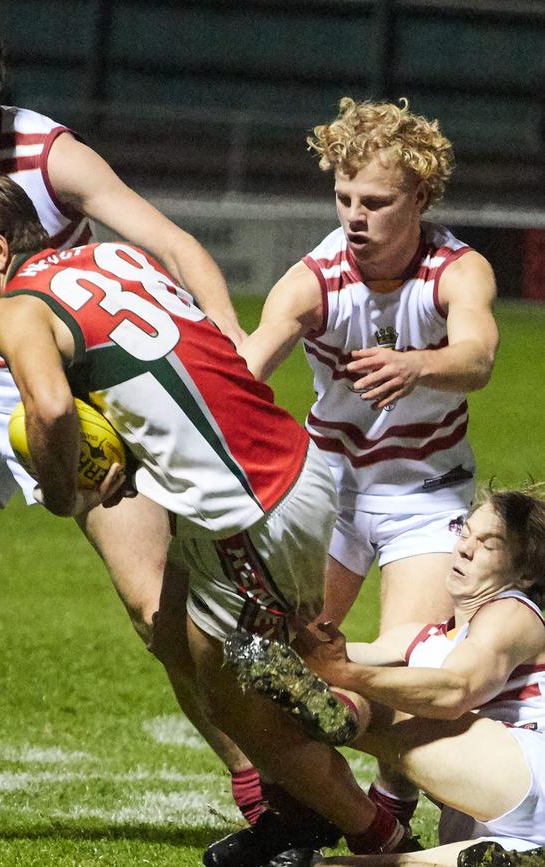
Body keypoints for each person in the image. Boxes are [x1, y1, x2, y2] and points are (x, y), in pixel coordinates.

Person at [0, 169, 434, 863]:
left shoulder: (16, 309)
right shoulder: (115, 257)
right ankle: (296, 809)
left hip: (249, 511)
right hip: (285, 471)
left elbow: (51, 407)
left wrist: (64, 490)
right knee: (176, 630)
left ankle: (386, 839)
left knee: (245, 701)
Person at [0, 0, 266, 827]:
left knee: (156, 610)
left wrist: (236, 336)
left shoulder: (50, 153)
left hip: (82, 399)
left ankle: (264, 785)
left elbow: (171, 242)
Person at [238, 96, 499, 828]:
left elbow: (477, 356)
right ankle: (303, 806)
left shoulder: (456, 269)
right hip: (330, 495)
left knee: (403, 664)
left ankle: (392, 798)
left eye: (375, 201)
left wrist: (417, 366)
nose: (354, 216)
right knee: (279, 661)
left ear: (419, 195)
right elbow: (250, 367)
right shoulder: (314, 278)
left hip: (427, 497)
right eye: (343, 197)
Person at [229, 485, 545, 867]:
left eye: (489, 544)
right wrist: (271, 623)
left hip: (526, 776)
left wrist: (345, 674)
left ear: (526, 572)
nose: (465, 548)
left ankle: (338, 724)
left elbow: (456, 691)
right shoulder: (419, 638)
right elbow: (326, 661)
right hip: (489, 817)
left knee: (373, 696)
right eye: (464, 533)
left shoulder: (513, 611)